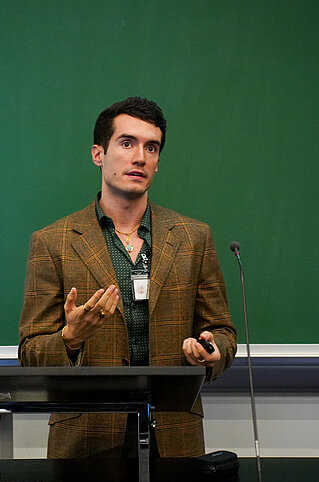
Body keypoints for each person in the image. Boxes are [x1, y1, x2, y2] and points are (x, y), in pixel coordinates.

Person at [18, 97, 236, 458]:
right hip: (85, 438)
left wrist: (211, 352)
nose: (140, 157)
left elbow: (223, 333)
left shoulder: (193, 237)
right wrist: (70, 338)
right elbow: (30, 353)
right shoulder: (52, 242)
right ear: (98, 154)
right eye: (127, 143)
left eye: (151, 147)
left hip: (174, 434)